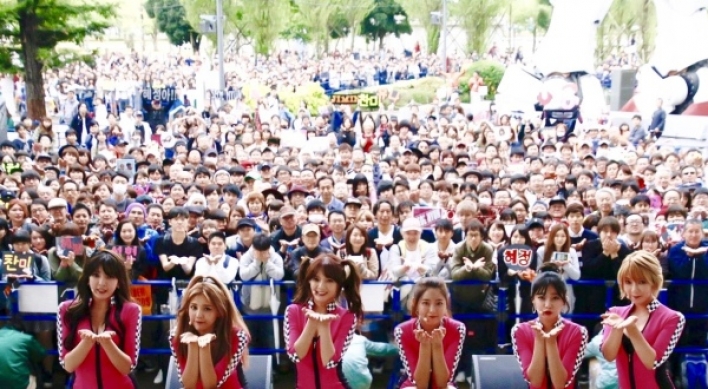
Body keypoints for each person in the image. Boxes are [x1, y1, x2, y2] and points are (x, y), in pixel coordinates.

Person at [57, 250, 142, 389]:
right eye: (96, 275)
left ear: (119, 282)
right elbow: (68, 366)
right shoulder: (67, 309)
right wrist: (86, 342)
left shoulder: (131, 310)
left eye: (109, 277)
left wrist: (107, 343)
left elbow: (127, 367)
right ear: (87, 279)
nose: (102, 283)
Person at [601, 250, 685, 389]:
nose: (634, 289)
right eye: (628, 282)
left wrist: (631, 329)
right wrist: (618, 329)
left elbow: (652, 362)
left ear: (654, 282)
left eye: (642, 282)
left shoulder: (673, 318)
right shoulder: (614, 313)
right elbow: (609, 356)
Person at [284, 252, 363, 388]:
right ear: (308, 281)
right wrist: (312, 322)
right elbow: (295, 356)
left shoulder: (347, 317)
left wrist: (324, 326)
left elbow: (330, 362)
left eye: (329, 280)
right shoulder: (293, 311)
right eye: (315, 279)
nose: (321, 286)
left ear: (340, 285)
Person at [170, 275, 250, 389]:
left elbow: (210, 385)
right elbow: (188, 385)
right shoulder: (176, 335)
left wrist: (204, 346)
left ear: (219, 311)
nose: (199, 315)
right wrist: (193, 345)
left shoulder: (237, 336)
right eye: (193, 307)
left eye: (207, 309)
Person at [511, 270, 588, 389]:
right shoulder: (520, 331)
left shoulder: (578, 332)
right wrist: (539, 340)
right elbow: (534, 382)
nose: (547, 304)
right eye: (541, 298)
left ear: (564, 301)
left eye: (555, 298)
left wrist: (551, 343)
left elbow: (560, 384)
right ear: (533, 300)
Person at [394, 277, 465, 389]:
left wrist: (437, 345)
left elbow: (442, 383)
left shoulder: (457, 328)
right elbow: (420, 385)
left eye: (439, 303)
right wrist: (425, 345)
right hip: (414, 384)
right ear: (416, 304)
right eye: (426, 303)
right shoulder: (402, 331)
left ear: (446, 304)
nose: (432, 310)